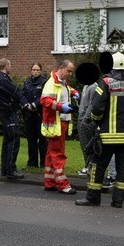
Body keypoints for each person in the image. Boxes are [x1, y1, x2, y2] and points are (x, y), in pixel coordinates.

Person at [76, 52, 124, 208]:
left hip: (106, 137)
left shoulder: (105, 83)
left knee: (96, 166)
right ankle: (118, 201)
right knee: (123, 169)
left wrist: (95, 121)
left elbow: (97, 109)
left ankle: (93, 198)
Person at [40, 60, 79, 194]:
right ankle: (63, 184)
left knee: (51, 153)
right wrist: (62, 107)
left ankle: (49, 182)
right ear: (61, 68)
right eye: (68, 71)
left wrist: (73, 92)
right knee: (58, 154)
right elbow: (45, 101)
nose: (70, 74)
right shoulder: (51, 83)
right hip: (56, 123)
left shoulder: (60, 83)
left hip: (59, 122)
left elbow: (64, 90)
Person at [0, 58, 25, 179]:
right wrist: (24, 102)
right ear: (6, 66)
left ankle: (5, 168)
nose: (11, 67)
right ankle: (11, 169)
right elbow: (15, 92)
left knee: (7, 140)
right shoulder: (3, 80)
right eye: (10, 65)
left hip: (5, 112)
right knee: (13, 138)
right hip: (8, 112)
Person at [20, 63, 47, 168]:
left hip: (39, 114)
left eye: (37, 70)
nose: (35, 71)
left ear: (40, 71)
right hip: (29, 114)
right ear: (31, 71)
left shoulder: (44, 82)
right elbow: (22, 95)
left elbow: (43, 96)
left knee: (42, 140)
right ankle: (32, 163)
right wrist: (26, 104)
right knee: (31, 140)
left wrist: (34, 104)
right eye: (33, 69)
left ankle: (44, 163)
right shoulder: (27, 82)